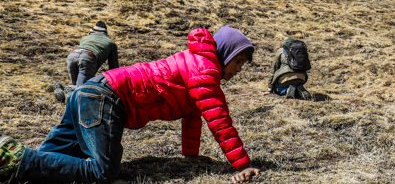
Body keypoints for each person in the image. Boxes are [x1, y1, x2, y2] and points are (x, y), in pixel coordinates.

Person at [0, 26, 260, 184]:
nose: (239, 69)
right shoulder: (204, 70)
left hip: (91, 91)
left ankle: (11, 165)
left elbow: (193, 114)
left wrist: (190, 155)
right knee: (101, 172)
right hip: (107, 98)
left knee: (50, 164)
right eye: (238, 61)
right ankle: (15, 155)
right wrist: (242, 165)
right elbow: (219, 120)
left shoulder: (196, 64)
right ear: (225, 52)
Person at [53, 21, 119, 102]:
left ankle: (66, 89)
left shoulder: (85, 38)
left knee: (75, 84)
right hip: (88, 58)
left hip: (72, 55)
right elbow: (114, 68)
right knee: (82, 89)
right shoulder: (111, 43)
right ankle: (70, 91)